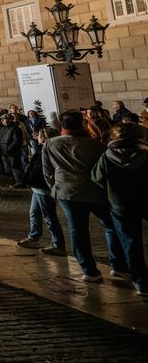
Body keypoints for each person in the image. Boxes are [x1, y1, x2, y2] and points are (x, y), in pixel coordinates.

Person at [42, 110, 129, 283]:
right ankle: (118, 266)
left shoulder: (50, 143)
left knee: (77, 231)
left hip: (67, 192)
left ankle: (89, 270)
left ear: (62, 125)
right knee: (111, 227)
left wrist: (56, 187)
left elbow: (47, 171)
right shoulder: (95, 145)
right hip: (95, 191)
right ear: (81, 124)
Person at [91, 121, 148, 295]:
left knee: (131, 243)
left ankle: (141, 282)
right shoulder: (145, 154)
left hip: (120, 203)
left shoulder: (107, 156)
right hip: (146, 199)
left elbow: (97, 178)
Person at [16, 127, 67, 256]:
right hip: (37, 187)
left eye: (38, 135)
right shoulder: (43, 148)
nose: (36, 137)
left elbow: (41, 169)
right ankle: (34, 237)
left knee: (49, 216)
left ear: (44, 136)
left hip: (43, 187)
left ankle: (58, 244)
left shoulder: (48, 150)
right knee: (34, 212)